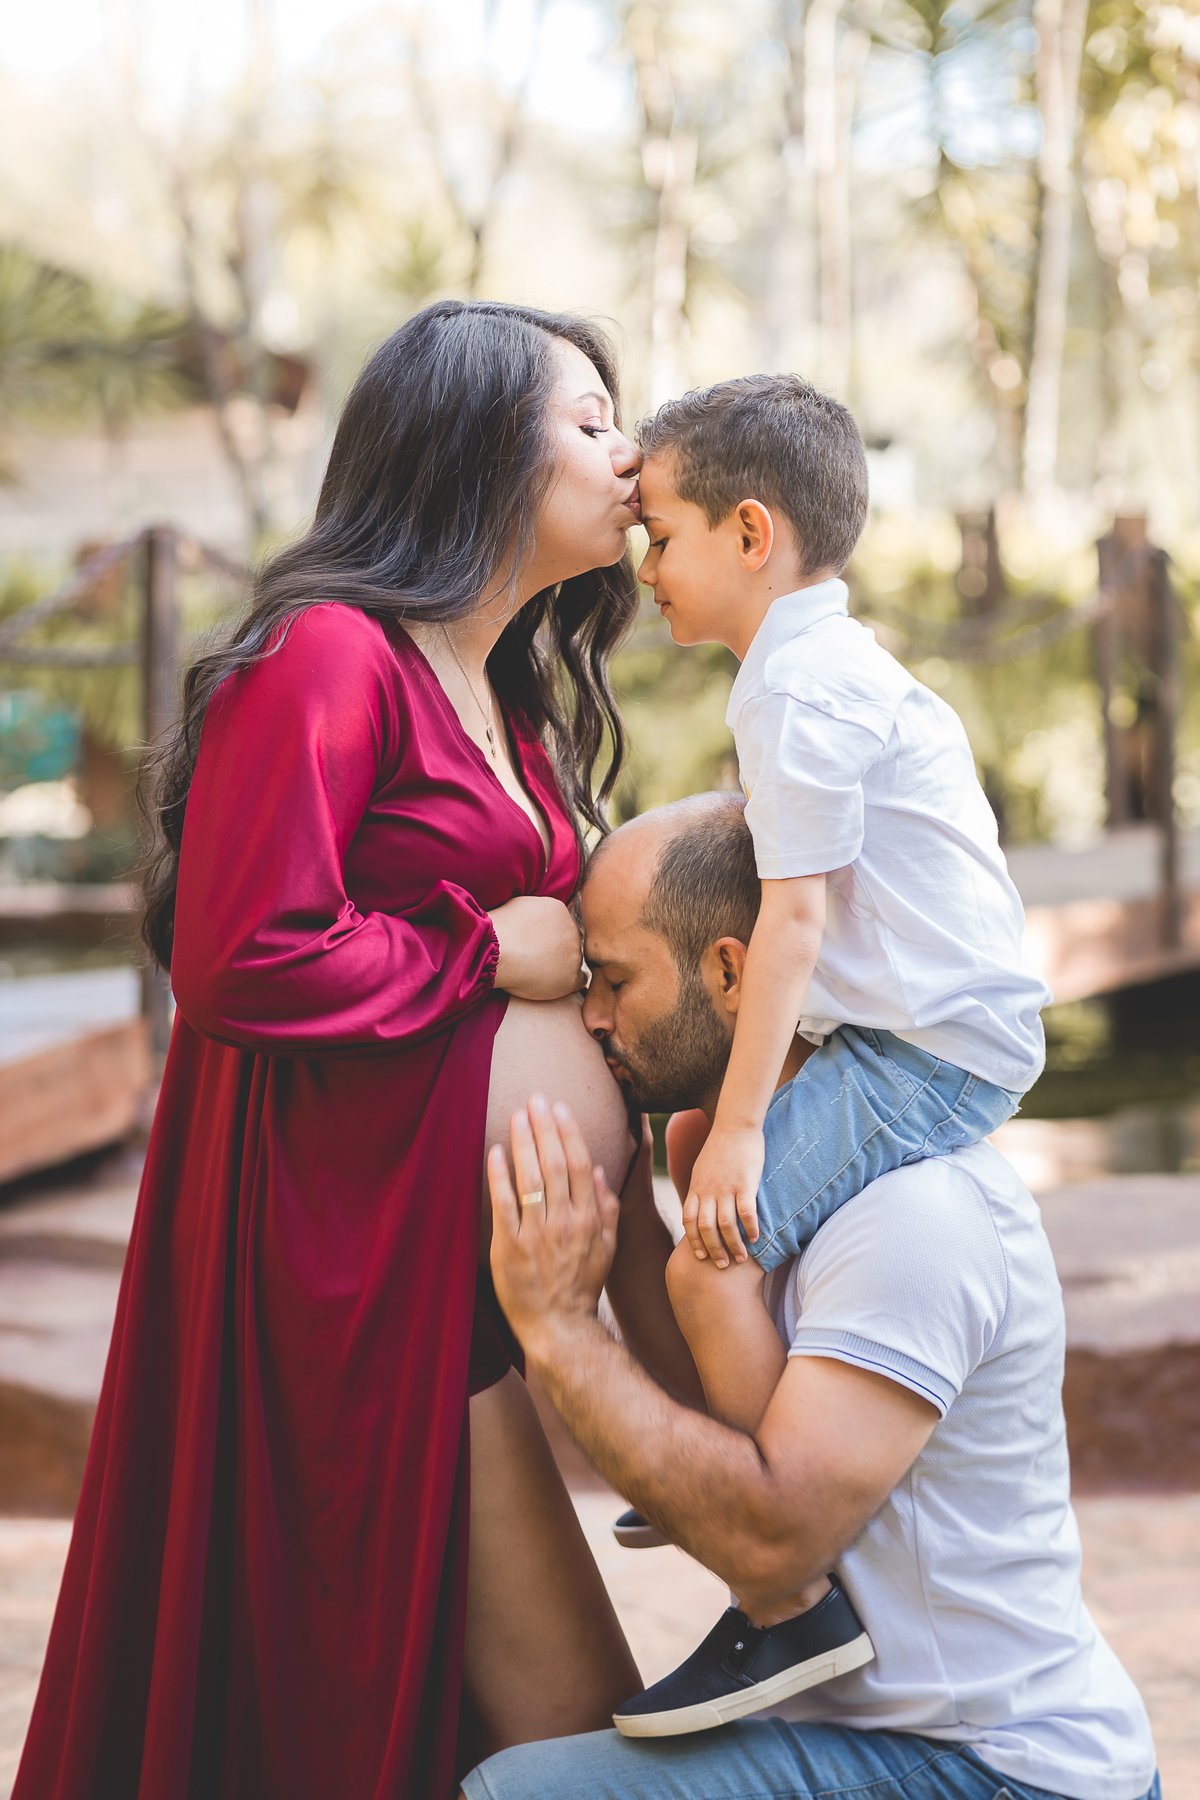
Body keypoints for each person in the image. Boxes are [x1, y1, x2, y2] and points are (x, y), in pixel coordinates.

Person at [13, 301, 649, 1800]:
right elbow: (243, 955)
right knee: (547, 1724)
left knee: (551, 1731)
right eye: (589, 421)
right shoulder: (329, 656)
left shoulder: (509, 693)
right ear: (475, 449)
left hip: (453, 1270)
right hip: (349, 1269)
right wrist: (484, 951)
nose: (630, 454)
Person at [463, 792, 1159, 1800]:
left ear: (731, 974)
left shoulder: (912, 1215)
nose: (593, 1016)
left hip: (999, 1768)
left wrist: (562, 1333)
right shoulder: (744, 1185)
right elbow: (716, 1432)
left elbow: (768, 1542)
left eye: (614, 981)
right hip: (865, 1736)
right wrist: (624, 1228)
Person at [616, 375, 1054, 1710]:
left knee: (707, 1260)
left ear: (752, 534)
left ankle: (788, 1590)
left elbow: (794, 923)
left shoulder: (798, 692)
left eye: (662, 538)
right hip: (922, 1029)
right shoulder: (817, 665)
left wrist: (747, 1132)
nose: (646, 573)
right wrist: (724, 1128)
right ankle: (740, 1437)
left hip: (927, 1053)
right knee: (697, 1144)